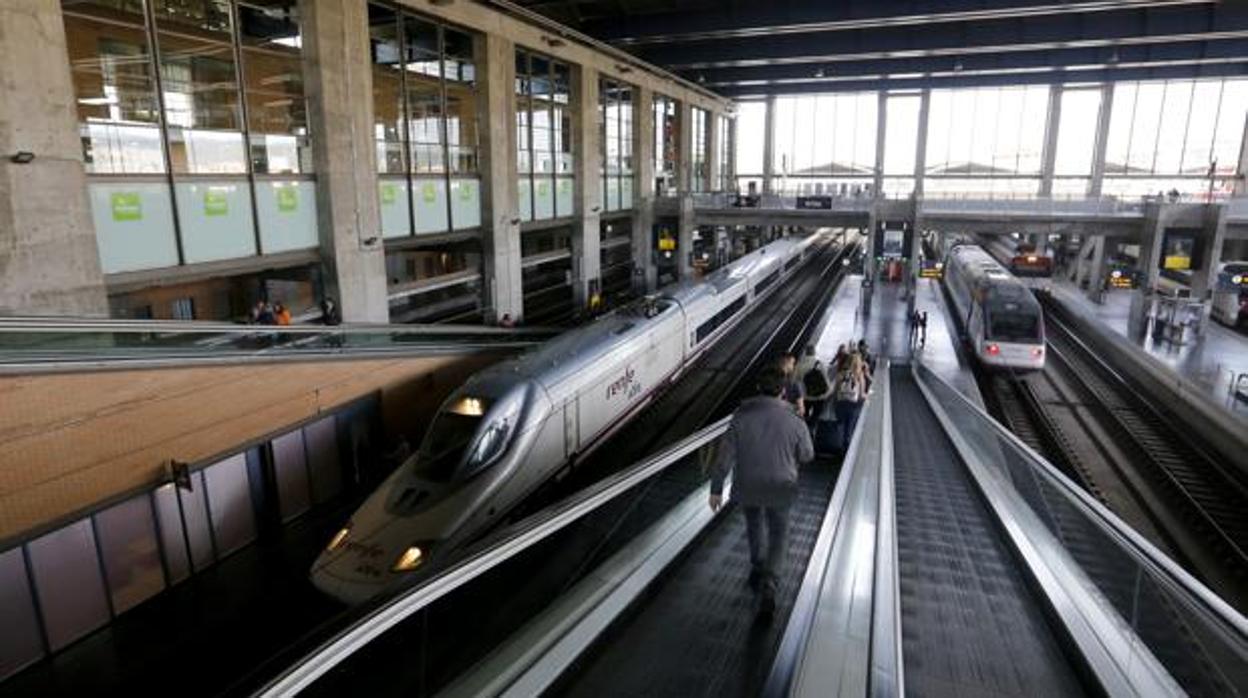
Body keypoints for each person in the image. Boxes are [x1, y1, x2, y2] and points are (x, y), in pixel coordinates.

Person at [709, 366, 815, 616]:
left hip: (748, 484)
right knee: (779, 533)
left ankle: (757, 566)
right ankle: (771, 581)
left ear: (758, 388)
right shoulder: (794, 420)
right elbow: (808, 455)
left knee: (754, 525)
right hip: (782, 485)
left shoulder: (741, 417)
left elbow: (724, 458)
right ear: (782, 391)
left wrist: (715, 490)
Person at [832, 353, 867, 451]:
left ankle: (838, 447)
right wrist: (867, 396)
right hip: (854, 406)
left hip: (840, 404)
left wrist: (835, 403)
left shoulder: (841, 374)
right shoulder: (859, 375)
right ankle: (847, 450)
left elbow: (835, 391)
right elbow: (861, 395)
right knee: (850, 427)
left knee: (840, 425)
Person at [795, 344, 831, 421]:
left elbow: (795, 381)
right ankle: (812, 427)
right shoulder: (820, 364)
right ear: (814, 353)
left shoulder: (799, 365)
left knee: (804, 414)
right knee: (816, 415)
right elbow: (826, 379)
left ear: (805, 352)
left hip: (806, 396)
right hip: (820, 395)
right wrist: (828, 392)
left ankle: (804, 427)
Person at [776, 352, 805, 417]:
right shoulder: (796, 383)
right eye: (792, 363)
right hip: (786, 417)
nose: (793, 366)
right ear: (787, 362)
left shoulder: (772, 379)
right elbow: (801, 410)